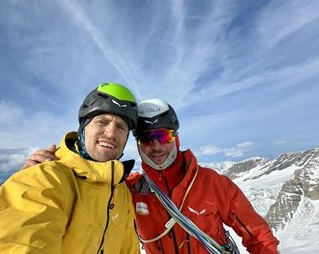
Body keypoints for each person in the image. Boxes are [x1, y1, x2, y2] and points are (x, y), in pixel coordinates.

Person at [24, 99, 280, 253]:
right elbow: (89, 199)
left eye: (163, 136)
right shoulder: (130, 189)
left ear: (175, 138)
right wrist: (55, 169)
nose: (156, 147)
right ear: (137, 145)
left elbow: (257, 235)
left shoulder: (213, 184)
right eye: (147, 139)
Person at [0, 82, 141, 254]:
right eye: (102, 122)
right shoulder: (45, 177)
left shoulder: (122, 192)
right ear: (83, 128)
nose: (111, 133)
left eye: (121, 127)